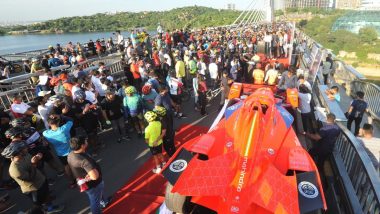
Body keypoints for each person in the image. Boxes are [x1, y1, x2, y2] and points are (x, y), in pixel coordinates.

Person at [1, 141, 64, 213]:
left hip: (41, 180)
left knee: (46, 196)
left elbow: (36, 165)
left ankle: (50, 208)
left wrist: (38, 158)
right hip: (34, 189)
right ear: (17, 153)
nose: (26, 148)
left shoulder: (26, 155)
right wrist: (34, 164)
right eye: (23, 148)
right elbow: (30, 178)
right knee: (38, 206)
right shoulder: (14, 170)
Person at [68, 137, 107, 214]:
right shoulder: (84, 161)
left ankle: (103, 202)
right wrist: (88, 178)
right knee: (95, 201)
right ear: (82, 145)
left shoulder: (70, 154)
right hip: (93, 185)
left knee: (97, 196)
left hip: (84, 183)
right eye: (85, 141)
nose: (87, 141)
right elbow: (95, 176)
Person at [43, 115, 75, 188]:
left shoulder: (46, 133)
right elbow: (70, 119)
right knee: (76, 165)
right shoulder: (64, 129)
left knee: (67, 167)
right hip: (71, 151)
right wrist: (60, 116)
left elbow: (44, 134)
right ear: (58, 122)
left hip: (60, 153)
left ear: (48, 123)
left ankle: (71, 182)